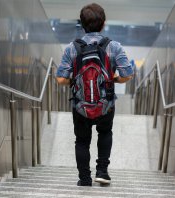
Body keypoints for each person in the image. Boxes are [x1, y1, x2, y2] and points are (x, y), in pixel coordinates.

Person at [56, 3, 133, 186]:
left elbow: (61, 79)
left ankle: (84, 178)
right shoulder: (114, 47)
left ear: (82, 24)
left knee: (82, 141)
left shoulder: (71, 48)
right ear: (103, 23)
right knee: (105, 133)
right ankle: (102, 172)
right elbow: (127, 75)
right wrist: (112, 80)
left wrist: (75, 81)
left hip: (80, 105)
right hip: (105, 103)